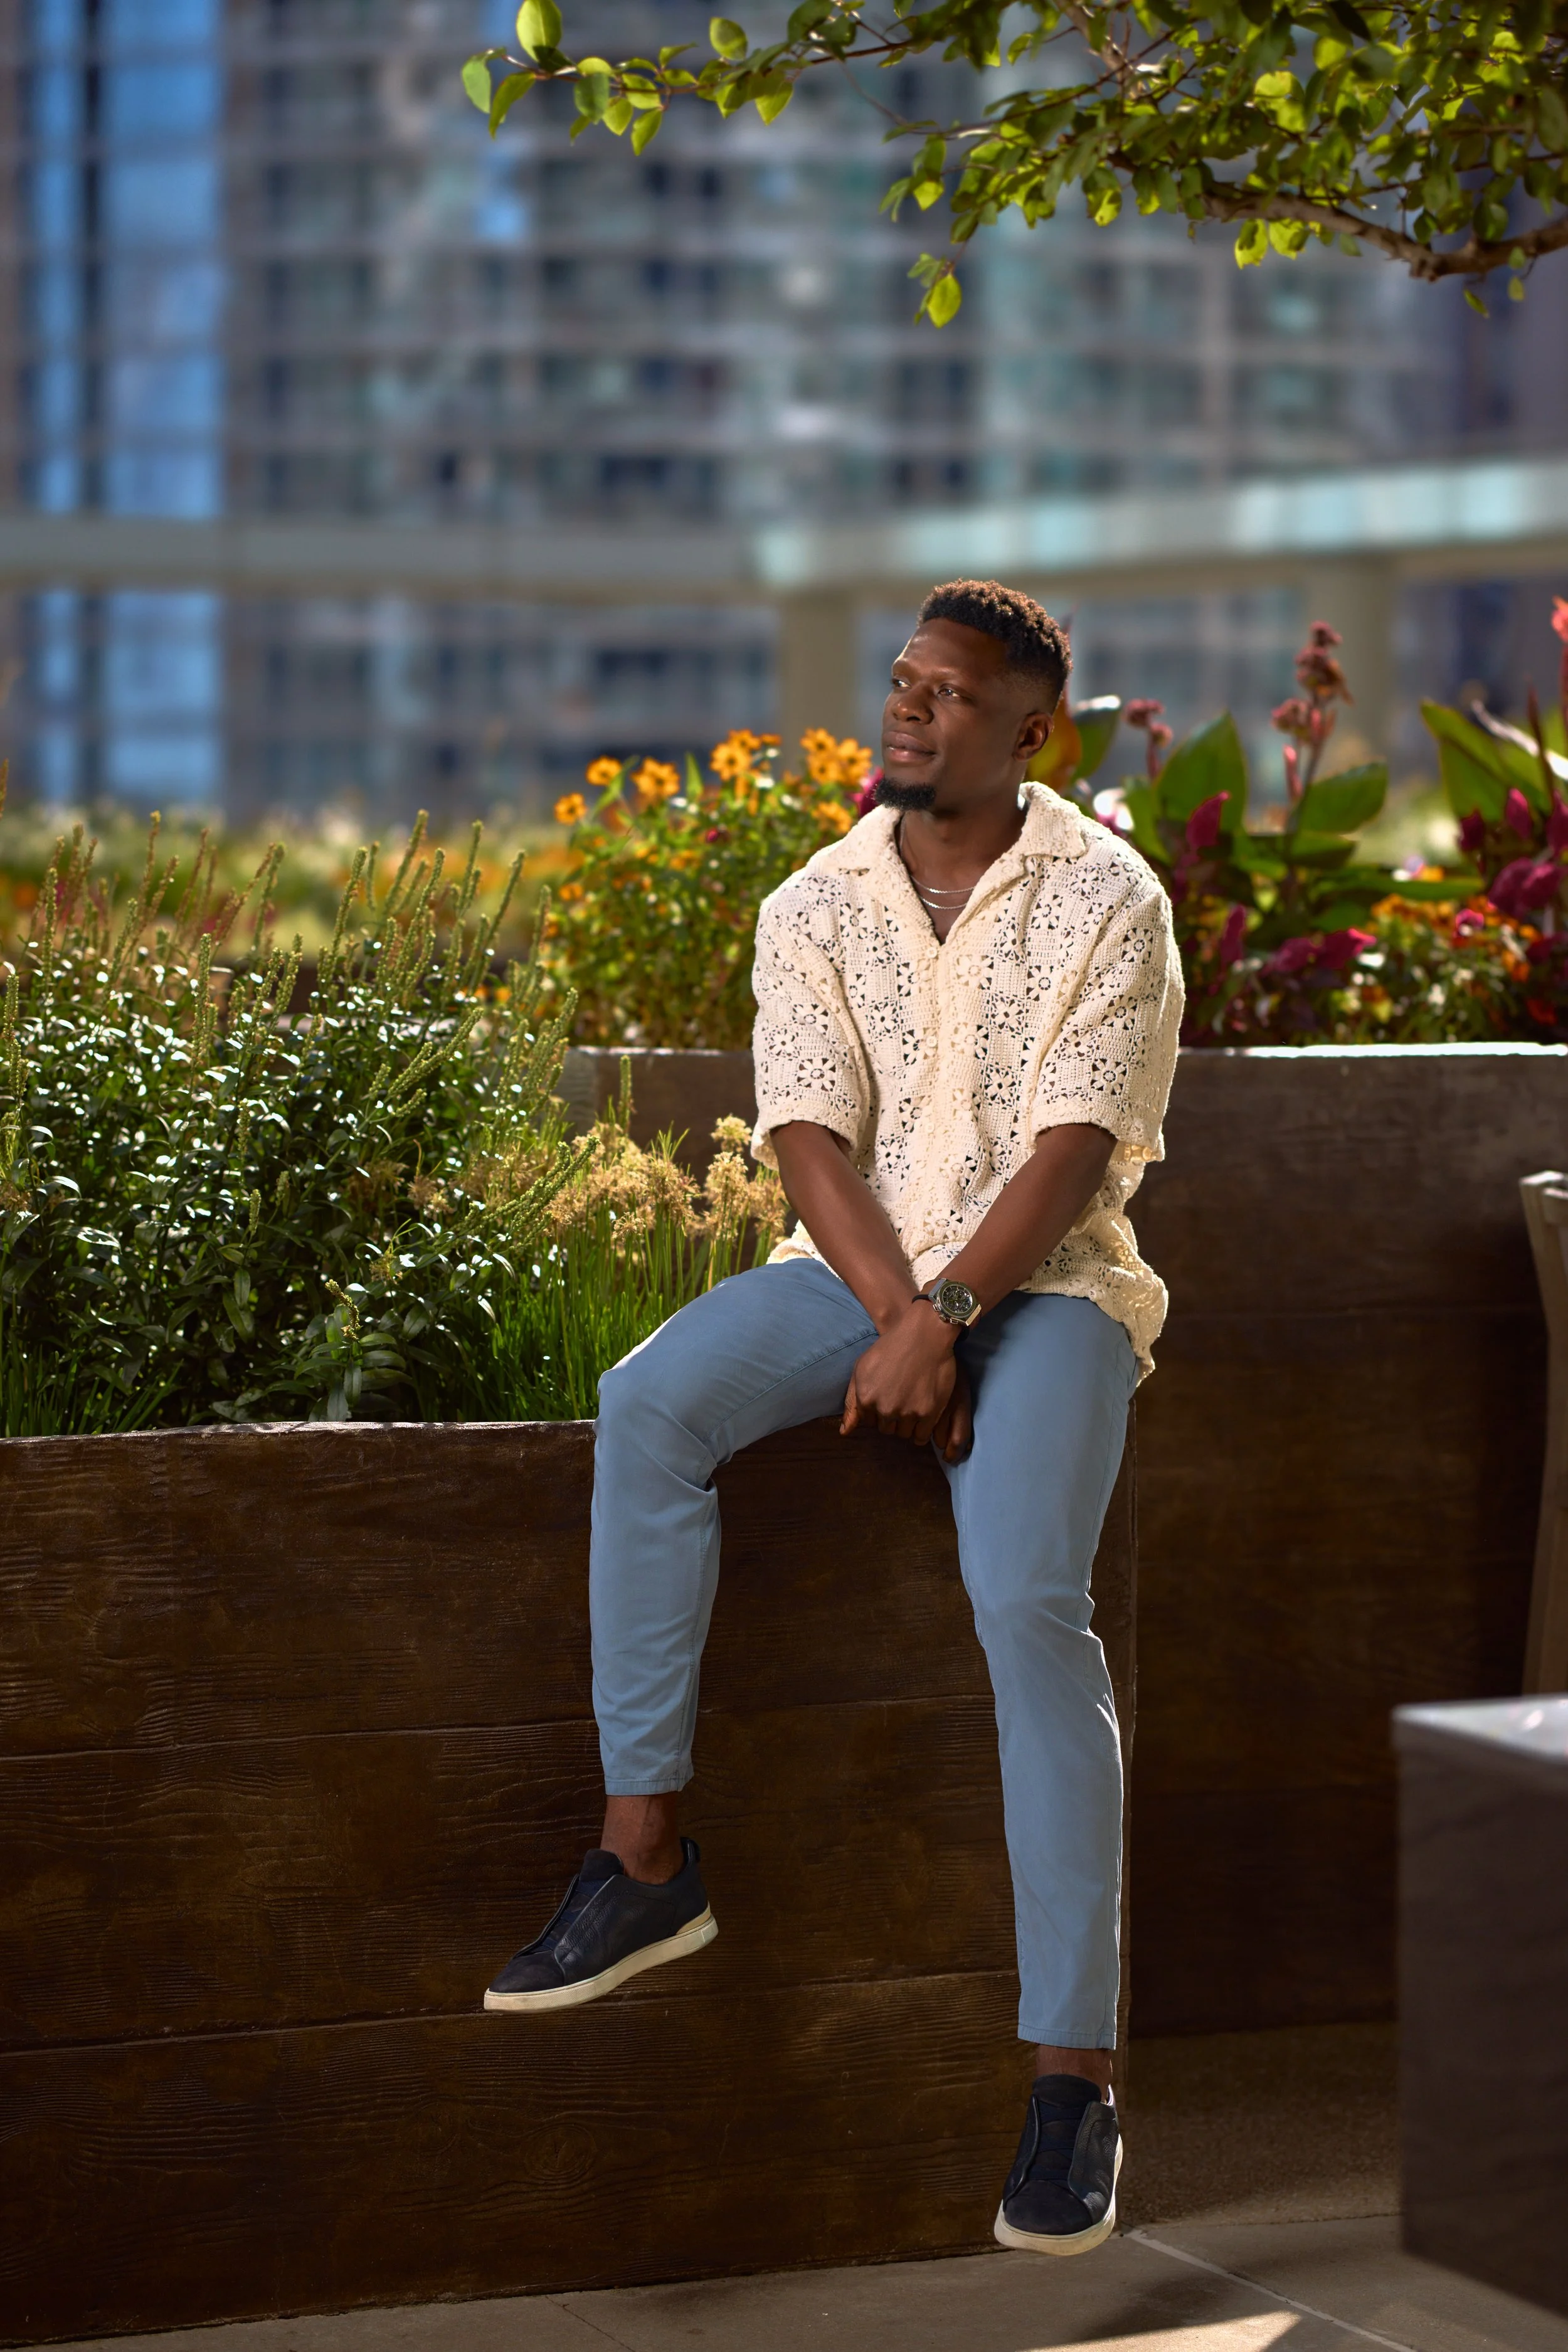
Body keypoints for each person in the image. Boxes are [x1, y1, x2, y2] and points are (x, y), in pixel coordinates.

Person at [484, 578, 1183, 2259]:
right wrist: (901, 1325)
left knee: (1026, 1598)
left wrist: (948, 1325)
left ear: (1035, 730)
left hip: (1056, 1291)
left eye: (949, 693)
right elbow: (805, 1133)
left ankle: (1070, 2080)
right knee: (645, 1400)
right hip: (855, 1282)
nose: (910, 711)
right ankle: (644, 1852)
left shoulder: (1109, 898)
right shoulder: (815, 900)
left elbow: (1069, 1152)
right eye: (901, 682)